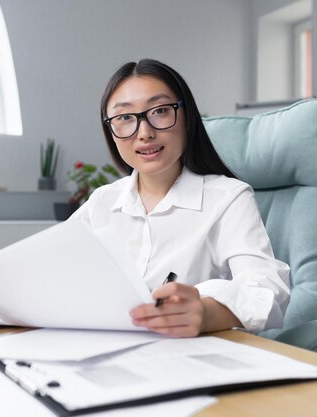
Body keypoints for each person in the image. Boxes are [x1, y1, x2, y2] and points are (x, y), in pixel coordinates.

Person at [70, 59, 290, 337]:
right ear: (110, 129)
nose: (145, 132)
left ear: (187, 118)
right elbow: (51, 272)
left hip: (188, 357)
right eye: (125, 117)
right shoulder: (102, 202)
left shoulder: (228, 198)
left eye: (160, 111)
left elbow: (268, 291)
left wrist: (206, 312)